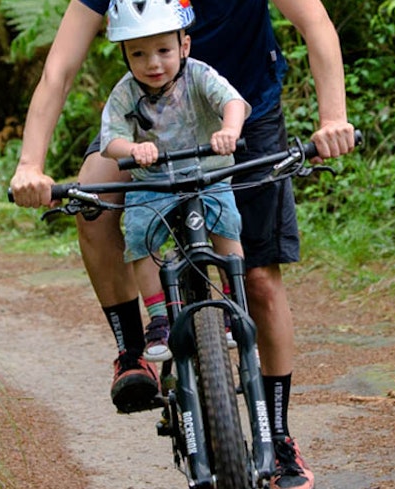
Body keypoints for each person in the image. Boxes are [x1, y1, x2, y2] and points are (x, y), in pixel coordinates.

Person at [9, 1, 355, 487]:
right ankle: (135, 350)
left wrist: (333, 118)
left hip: (239, 118)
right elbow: (59, 70)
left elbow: (314, 22)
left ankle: (277, 436)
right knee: (93, 203)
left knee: (260, 279)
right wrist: (30, 164)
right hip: (147, 128)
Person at [100, 0, 249, 366]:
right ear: (125, 55)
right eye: (138, 54)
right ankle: (159, 320)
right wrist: (133, 149)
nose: (153, 63)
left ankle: (234, 302)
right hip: (153, 182)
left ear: (184, 46)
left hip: (207, 174)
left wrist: (229, 131)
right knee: (139, 235)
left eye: (163, 51)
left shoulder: (199, 75)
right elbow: (111, 139)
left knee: (227, 225)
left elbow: (232, 102)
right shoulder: (124, 92)